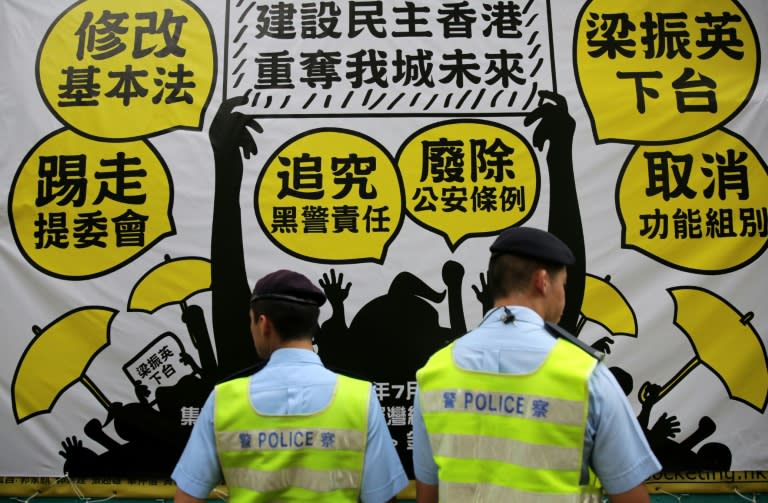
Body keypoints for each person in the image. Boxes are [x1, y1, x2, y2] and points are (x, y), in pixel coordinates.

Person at [412, 226, 661, 503]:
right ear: (542, 281)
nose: (564, 296)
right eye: (563, 284)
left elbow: (427, 496)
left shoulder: (435, 371)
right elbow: (630, 496)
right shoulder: (585, 374)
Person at [172, 269, 408, 502]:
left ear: (263, 324)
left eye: (251, 321)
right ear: (313, 324)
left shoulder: (223, 399)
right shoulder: (360, 397)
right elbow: (382, 497)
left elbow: (187, 497)